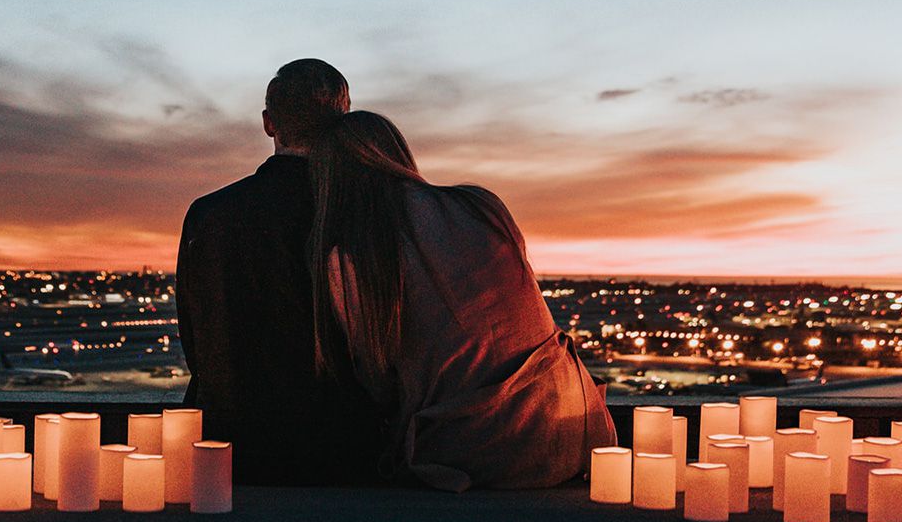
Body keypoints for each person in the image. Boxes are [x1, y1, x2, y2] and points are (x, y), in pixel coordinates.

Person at [308, 110, 616, 491]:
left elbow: (377, 384)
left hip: (476, 454)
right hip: (576, 429)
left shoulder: (352, 258)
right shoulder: (481, 205)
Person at [174, 59, 383, 484]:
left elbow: (199, 345)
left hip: (229, 449)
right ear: (343, 121)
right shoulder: (365, 214)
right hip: (341, 453)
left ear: (269, 123)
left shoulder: (208, 215)